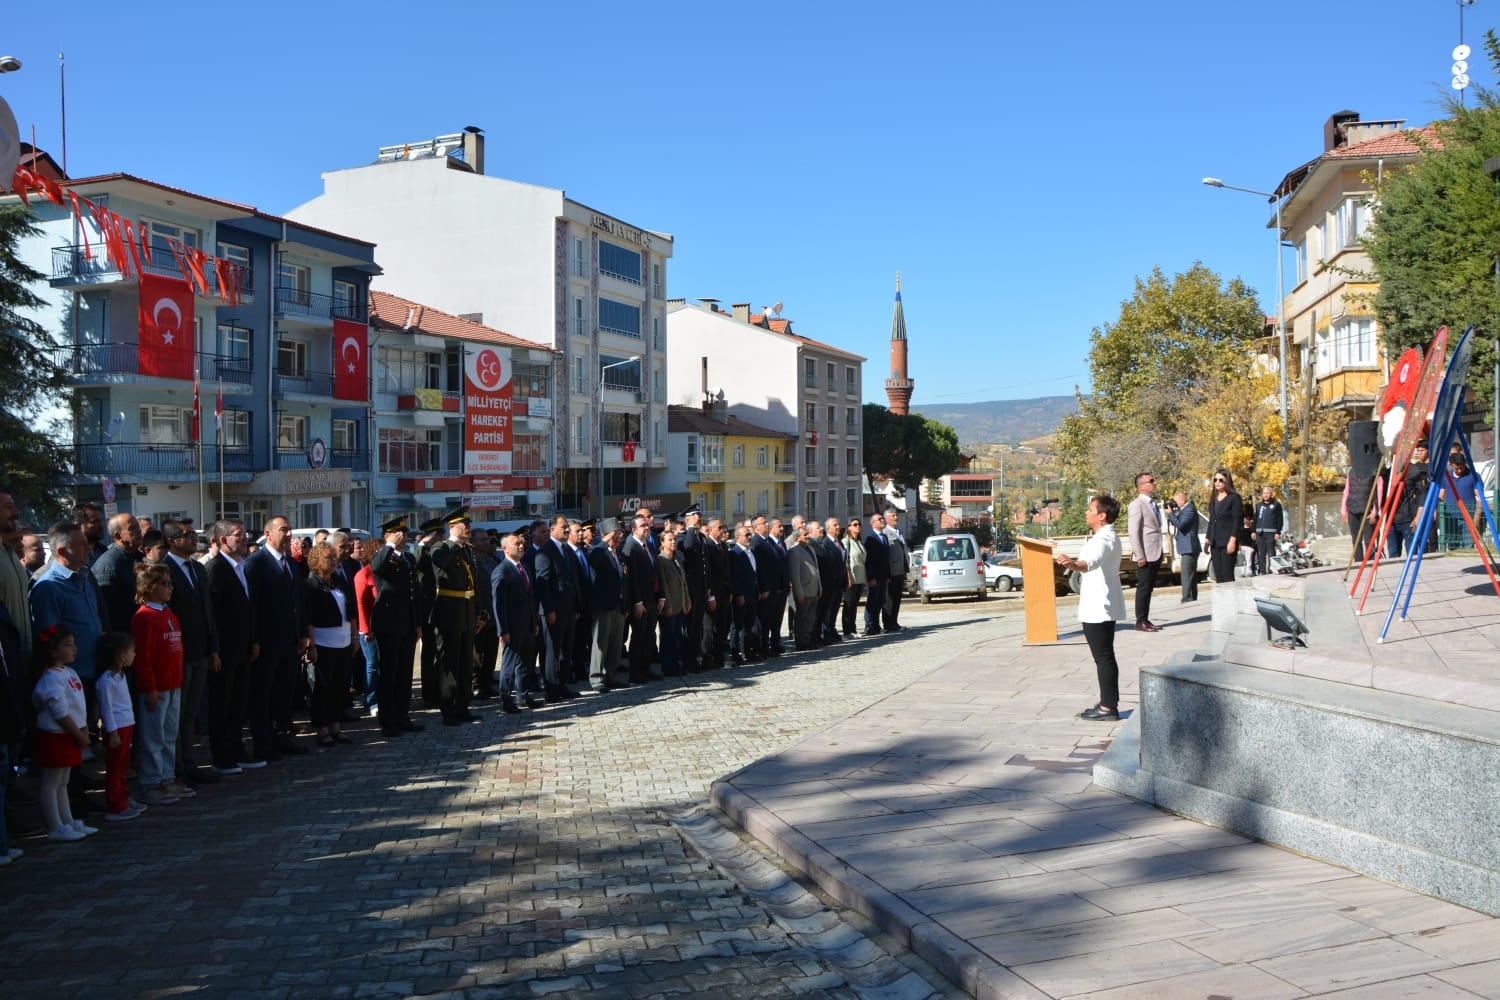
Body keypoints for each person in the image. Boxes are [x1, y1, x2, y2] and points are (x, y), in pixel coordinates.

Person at [244, 516, 311, 759]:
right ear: (268, 533)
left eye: (290, 530)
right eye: (283, 530)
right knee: (264, 693)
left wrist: (302, 632)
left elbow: (298, 601)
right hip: (267, 641)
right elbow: (252, 605)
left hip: (289, 640)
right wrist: (254, 639)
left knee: (284, 691)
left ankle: (281, 734)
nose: (289, 535)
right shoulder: (256, 563)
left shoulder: (289, 563)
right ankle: (263, 742)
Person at [1055, 495, 1126, 721]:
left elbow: (1091, 562)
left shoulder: (1103, 539)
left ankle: (1108, 707)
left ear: (1102, 515)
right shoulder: (1106, 536)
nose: (1087, 512)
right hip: (1103, 604)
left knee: (1103, 657)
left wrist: (1074, 564)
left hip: (1098, 606)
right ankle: (1108, 702)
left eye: (1090, 509)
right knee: (1105, 656)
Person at [161, 520, 220, 787]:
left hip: (201, 651)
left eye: (193, 534)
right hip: (178, 653)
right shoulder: (164, 569)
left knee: (191, 712)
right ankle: (177, 766)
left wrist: (213, 647)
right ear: (171, 541)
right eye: (186, 535)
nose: (193, 539)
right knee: (177, 713)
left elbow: (208, 611)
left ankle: (189, 763)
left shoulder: (197, 568)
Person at [203, 519, 262, 772]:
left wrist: (253, 639)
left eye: (244, 533)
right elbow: (212, 614)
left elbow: (248, 607)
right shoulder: (216, 569)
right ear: (222, 539)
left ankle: (238, 750)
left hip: (242, 647)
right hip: (224, 649)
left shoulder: (241, 566)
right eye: (238, 534)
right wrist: (214, 649)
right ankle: (222, 755)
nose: (244, 538)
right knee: (221, 703)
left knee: (238, 702)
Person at [30, 624, 98, 841]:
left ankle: (67, 821)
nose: (74, 649)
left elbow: (77, 705)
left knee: (63, 780)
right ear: (52, 651)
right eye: (68, 645)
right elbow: (59, 711)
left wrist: (83, 727)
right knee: (52, 782)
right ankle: (55, 825)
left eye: (73, 644)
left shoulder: (69, 672)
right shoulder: (50, 677)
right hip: (56, 735)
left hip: (71, 734)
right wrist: (79, 734)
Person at [133, 562, 191, 806]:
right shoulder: (144, 617)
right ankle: (151, 781)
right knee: (153, 736)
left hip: (173, 683)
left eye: (170, 583)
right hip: (156, 688)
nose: (170, 588)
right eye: (164, 584)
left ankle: (167, 777)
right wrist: (150, 687)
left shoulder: (168, 613)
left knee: (169, 734)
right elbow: (143, 657)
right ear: (149, 587)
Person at [369, 516, 425, 737]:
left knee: (404, 674)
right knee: (389, 674)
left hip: (407, 623)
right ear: (387, 535)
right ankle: (388, 720)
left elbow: (414, 593)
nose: (402, 537)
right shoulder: (382, 555)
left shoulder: (408, 558)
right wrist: (390, 545)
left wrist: (417, 623)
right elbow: (376, 567)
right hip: (389, 623)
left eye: (404, 533)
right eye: (397, 533)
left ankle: (402, 716)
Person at [428, 507, 482, 725]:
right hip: (449, 611)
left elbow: (473, 582)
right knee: (449, 663)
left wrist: (478, 610)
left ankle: (463, 706)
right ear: (452, 527)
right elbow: (439, 562)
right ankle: (448, 709)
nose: (468, 528)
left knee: (465, 662)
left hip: (466, 610)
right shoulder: (442, 546)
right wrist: (452, 541)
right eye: (464, 525)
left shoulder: (467, 549)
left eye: (469, 525)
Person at [302, 542, 354, 748]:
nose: (333, 561)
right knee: (323, 687)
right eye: (328, 557)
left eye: (334, 557)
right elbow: (308, 617)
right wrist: (312, 645)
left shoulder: (339, 581)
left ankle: (335, 725)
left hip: (344, 640)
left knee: (339, 686)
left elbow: (351, 611)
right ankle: (321, 728)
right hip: (323, 642)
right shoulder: (311, 585)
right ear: (316, 560)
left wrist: (354, 637)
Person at [95, 632, 146, 822]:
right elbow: (106, 709)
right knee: (115, 767)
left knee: (123, 766)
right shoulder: (106, 681)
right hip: (117, 729)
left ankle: (124, 797)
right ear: (122, 655)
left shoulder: (120, 676)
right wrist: (112, 732)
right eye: (132, 651)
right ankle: (115, 805)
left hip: (126, 725)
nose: (135, 654)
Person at [534, 514, 581, 700]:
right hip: (553, 611)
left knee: (566, 650)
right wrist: (549, 610)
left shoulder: (567, 550)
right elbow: (543, 583)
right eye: (564, 527)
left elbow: (572, 581)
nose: (567, 530)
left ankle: (562, 685)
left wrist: (576, 606)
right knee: (552, 652)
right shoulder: (545, 551)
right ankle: (551, 689)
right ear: (552, 529)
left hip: (568, 610)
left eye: (568, 526)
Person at [494, 529, 542, 708]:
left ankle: (522, 695)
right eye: (517, 544)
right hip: (512, 628)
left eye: (522, 543)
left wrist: (534, 622)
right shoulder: (502, 571)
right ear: (505, 548)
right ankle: (506, 698)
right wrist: (502, 630)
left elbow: (530, 597)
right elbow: (498, 603)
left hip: (527, 625)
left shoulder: (524, 567)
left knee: (525, 663)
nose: (521, 546)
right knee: (509, 665)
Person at [585, 519, 628, 692]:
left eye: (620, 533)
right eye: (616, 533)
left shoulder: (619, 554)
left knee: (615, 643)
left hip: (618, 605)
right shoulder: (598, 551)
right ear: (606, 534)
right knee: (600, 643)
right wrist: (605, 541)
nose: (620, 537)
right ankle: (596, 679)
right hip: (603, 606)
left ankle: (610, 675)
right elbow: (593, 562)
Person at [92, 513, 145, 633]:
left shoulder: (139, 557)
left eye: (138, 527)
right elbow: (106, 610)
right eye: (132, 528)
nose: (138, 531)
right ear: (117, 535)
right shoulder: (108, 565)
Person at [1126, 473, 1163, 632]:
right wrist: (1140, 555)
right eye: (1151, 481)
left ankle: (1145, 619)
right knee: (1143, 588)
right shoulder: (1137, 504)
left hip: (1155, 551)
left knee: (1149, 588)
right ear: (1141, 486)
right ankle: (1140, 621)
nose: (1155, 483)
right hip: (1146, 554)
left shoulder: (1152, 504)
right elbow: (1133, 532)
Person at [655, 529, 690, 676]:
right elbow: (663, 584)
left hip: (680, 604)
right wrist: (667, 605)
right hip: (670, 606)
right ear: (662, 542)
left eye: (674, 539)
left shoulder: (676, 558)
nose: (673, 542)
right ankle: (668, 666)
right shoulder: (661, 560)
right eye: (669, 540)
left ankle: (675, 663)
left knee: (677, 636)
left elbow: (683, 583)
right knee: (668, 636)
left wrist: (687, 600)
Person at [1389, 443, 1433, 558]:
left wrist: (1418, 517)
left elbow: (1422, 495)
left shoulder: (1415, 471)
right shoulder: (1389, 473)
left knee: (1412, 554)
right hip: (1391, 520)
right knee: (1393, 554)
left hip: (1409, 518)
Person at [353, 539, 381, 717]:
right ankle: (371, 700)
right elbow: (361, 604)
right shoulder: (364, 574)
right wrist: (365, 629)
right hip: (369, 628)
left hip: (384, 626)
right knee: (372, 664)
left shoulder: (382, 572)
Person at [1439, 451, 1482, 551]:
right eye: (1456, 468)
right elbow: (1441, 495)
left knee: (1468, 546)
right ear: (1450, 465)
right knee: (1453, 547)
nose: (1459, 470)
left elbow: (1480, 498)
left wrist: (1477, 517)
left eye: (1461, 468)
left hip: (1469, 517)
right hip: (1450, 518)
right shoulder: (1446, 477)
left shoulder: (1473, 476)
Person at [787, 527, 822, 651]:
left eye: (808, 534)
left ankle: (809, 640)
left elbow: (816, 570)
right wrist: (798, 592)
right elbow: (794, 574)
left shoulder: (810, 548)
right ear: (797, 538)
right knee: (802, 618)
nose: (808, 536)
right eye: (805, 534)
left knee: (811, 618)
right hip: (803, 591)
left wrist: (820, 587)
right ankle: (800, 642)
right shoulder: (794, 551)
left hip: (814, 589)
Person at [1205, 469, 1243, 584]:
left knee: (1227, 575)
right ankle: (1221, 596)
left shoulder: (1234, 498)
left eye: (1221, 480)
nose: (1217, 482)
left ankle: (1230, 596)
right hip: (1215, 542)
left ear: (1227, 481)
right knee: (1218, 576)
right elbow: (1212, 520)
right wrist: (1208, 538)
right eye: (1215, 480)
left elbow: (1237, 520)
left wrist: (1233, 539)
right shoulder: (1214, 499)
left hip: (1228, 540)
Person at [1341, 465, 1384, 564]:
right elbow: (1347, 490)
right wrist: (1343, 509)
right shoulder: (1351, 472)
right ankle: (1358, 563)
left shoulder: (1374, 472)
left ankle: (1370, 563)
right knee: (1356, 541)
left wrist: (1375, 511)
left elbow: (1379, 491)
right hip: (1353, 509)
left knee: (1369, 541)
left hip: (1367, 511)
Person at [1165, 492, 1201, 603]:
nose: (1175, 503)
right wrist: (1172, 515)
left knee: (1186, 574)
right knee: (1190, 574)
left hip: (1189, 546)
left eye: (1176, 501)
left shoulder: (1189, 509)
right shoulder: (1184, 510)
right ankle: (1191, 596)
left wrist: (1171, 514)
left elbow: (1181, 525)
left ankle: (1187, 597)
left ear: (1182, 499)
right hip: (1187, 546)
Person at [883, 509, 910, 632]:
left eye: (896, 515)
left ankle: (894, 622)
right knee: (890, 599)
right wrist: (887, 573)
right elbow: (885, 555)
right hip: (892, 572)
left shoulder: (899, 532)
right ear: (887, 518)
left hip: (900, 570)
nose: (896, 518)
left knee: (897, 598)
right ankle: (888, 624)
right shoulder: (885, 533)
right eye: (893, 516)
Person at [862, 512, 889, 636]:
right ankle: (869, 625)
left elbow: (886, 558)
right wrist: (871, 577)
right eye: (879, 519)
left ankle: (876, 626)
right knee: (872, 601)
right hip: (875, 577)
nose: (882, 520)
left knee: (880, 601)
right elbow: (868, 560)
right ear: (873, 523)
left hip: (883, 576)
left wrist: (888, 575)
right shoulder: (870, 539)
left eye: (882, 518)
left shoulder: (884, 537)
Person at [840, 518, 867, 637]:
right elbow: (845, 560)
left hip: (860, 577)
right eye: (855, 524)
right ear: (849, 527)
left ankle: (853, 629)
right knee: (849, 604)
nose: (858, 526)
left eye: (859, 524)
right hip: (851, 577)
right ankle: (847, 630)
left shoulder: (860, 541)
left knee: (854, 604)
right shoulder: (846, 541)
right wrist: (848, 576)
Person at [1253, 487, 1286, 575]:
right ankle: (1262, 571)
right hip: (1260, 532)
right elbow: (1255, 519)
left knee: (1271, 552)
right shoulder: (1259, 505)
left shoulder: (1276, 505)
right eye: (1264, 493)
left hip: (1271, 532)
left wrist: (1278, 532)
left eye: (1267, 493)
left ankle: (1272, 569)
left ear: (1271, 494)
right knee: (1261, 553)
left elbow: (1280, 519)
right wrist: (1253, 531)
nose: (1265, 495)